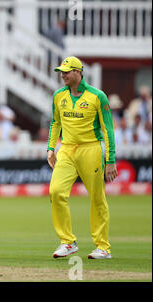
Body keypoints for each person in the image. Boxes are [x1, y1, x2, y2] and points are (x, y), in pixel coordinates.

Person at [47, 56, 118, 260]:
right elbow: (55, 123)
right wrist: (51, 148)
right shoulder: (59, 95)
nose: (63, 75)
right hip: (67, 150)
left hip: (91, 149)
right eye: (61, 71)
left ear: (79, 72)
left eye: (67, 72)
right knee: (56, 191)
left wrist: (110, 159)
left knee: (97, 198)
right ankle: (68, 242)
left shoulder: (97, 96)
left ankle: (103, 247)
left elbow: (108, 129)